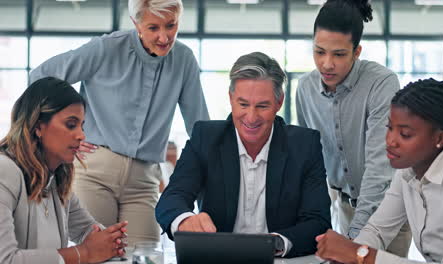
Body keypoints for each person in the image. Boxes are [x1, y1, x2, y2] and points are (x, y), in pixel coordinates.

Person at [29, 0, 209, 246]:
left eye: (171, 25)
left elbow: (199, 126)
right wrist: (66, 134)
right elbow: (39, 77)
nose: (165, 37)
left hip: (144, 180)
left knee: (146, 256)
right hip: (94, 174)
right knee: (93, 255)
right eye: (153, 27)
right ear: (136, 23)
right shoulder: (105, 48)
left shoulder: (185, 60)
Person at [156, 52, 331, 257]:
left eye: (262, 106)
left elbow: (318, 221)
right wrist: (185, 220)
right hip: (218, 260)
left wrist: (273, 243)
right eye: (243, 104)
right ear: (231, 99)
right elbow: (172, 198)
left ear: (279, 102)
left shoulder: (304, 145)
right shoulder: (206, 137)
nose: (251, 117)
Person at [295, 0, 410, 255]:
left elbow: (379, 167)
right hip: (344, 206)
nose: (326, 64)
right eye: (319, 51)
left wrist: (352, 239)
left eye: (338, 54)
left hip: (388, 208)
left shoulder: (381, 83)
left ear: (357, 52)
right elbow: (307, 161)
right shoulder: (304, 88)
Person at [315, 78, 443, 264]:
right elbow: (378, 230)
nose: (390, 141)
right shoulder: (408, 172)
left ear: (441, 138)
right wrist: (346, 256)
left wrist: (360, 255)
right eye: (389, 128)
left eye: (405, 134)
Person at [0, 77, 128, 264]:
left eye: (82, 125)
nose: (82, 135)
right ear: (38, 127)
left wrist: (110, 241)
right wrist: (83, 254)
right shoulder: (4, 171)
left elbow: (87, 231)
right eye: (70, 124)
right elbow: (6, 260)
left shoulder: (56, 178)